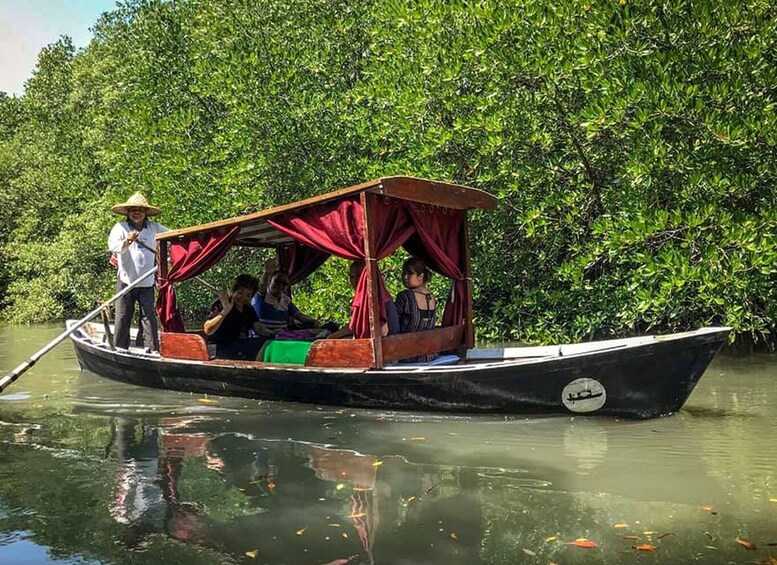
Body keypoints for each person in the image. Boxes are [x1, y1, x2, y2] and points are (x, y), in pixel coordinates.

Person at [107, 192, 169, 352]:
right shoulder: (120, 228)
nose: (136, 213)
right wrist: (127, 241)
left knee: (149, 316)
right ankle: (120, 348)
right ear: (127, 212)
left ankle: (152, 349)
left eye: (140, 210)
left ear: (145, 213)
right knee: (123, 315)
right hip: (126, 281)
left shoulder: (155, 229)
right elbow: (114, 247)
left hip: (147, 282)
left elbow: (173, 235)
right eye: (133, 210)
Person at [203, 274, 277, 360]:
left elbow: (259, 328)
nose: (243, 298)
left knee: (266, 343)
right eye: (240, 293)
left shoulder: (247, 308)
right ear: (233, 291)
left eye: (248, 295)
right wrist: (225, 311)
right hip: (217, 348)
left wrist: (273, 333)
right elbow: (208, 330)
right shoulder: (222, 304)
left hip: (239, 346)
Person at [329, 260, 400, 339]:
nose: (355, 280)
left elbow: (354, 327)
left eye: (360, 276)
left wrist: (331, 337)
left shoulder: (374, 296)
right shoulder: (369, 294)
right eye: (352, 277)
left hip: (385, 344)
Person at [394, 257, 437, 362]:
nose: (405, 277)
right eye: (404, 273)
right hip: (430, 354)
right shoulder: (432, 297)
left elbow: (393, 323)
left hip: (408, 355)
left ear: (421, 276)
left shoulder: (405, 296)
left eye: (409, 273)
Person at [251, 271, 318, 333]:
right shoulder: (261, 295)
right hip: (261, 338)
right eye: (277, 281)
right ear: (269, 281)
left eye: (284, 284)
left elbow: (299, 316)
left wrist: (314, 321)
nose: (280, 285)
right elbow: (261, 284)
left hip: (281, 337)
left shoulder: (286, 300)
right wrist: (268, 271)